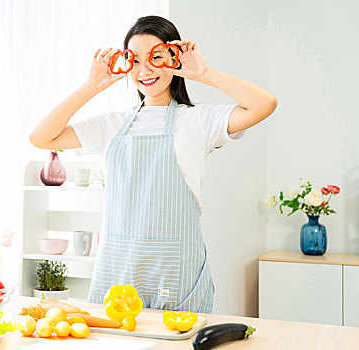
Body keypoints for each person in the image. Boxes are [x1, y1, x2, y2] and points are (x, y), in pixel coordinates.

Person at [29, 15, 277, 313]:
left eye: (156, 57)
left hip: (175, 271)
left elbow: (265, 104)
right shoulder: (112, 124)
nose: (144, 70)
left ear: (174, 59)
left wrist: (204, 72)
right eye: (134, 60)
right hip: (118, 269)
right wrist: (90, 88)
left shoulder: (197, 121)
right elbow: (41, 137)